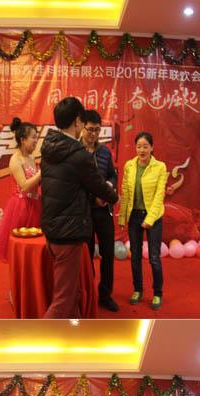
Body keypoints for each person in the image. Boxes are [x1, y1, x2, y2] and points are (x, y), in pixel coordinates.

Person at [39, 96, 119, 318]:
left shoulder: (49, 149)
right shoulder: (78, 154)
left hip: (53, 230)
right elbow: (97, 184)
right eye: (84, 123)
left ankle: (74, 331)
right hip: (68, 233)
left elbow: (70, 187)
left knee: (73, 293)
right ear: (77, 121)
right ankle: (36, 337)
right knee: (63, 300)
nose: (87, 129)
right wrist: (114, 198)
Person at [118, 132, 168, 310]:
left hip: (153, 217)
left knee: (154, 258)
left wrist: (149, 219)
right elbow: (125, 192)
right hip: (134, 216)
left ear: (152, 148)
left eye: (145, 146)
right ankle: (137, 290)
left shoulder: (160, 167)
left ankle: (157, 293)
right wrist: (123, 217)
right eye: (139, 146)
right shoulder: (130, 166)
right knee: (135, 256)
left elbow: (159, 196)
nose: (142, 150)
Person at [80, 111, 119, 311]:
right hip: (84, 212)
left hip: (104, 212)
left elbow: (113, 175)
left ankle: (105, 294)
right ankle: (88, 294)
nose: (93, 134)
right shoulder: (76, 152)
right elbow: (75, 184)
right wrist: (93, 196)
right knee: (86, 256)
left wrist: (110, 186)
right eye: (90, 129)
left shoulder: (104, 152)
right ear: (82, 128)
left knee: (108, 253)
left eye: (97, 130)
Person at [0, 118, 41, 259]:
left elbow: (35, 183)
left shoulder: (31, 157)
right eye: (33, 137)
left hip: (36, 204)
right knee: (20, 246)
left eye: (36, 137)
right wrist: (42, 172)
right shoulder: (15, 159)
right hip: (21, 207)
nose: (36, 141)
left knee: (33, 245)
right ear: (23, 140)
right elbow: (24, 186)